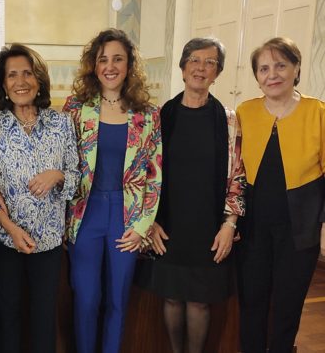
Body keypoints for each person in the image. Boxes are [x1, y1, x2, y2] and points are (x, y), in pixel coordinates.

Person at [139, 37, 246, 353]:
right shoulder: (161, 116)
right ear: (183, 67)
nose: (201, 68)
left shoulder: (229, 120)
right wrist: (149, 221)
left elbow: (238, 175)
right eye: (195, 60)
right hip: (169, 225)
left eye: (210, 62)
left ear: (218, 72)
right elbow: (143, 173)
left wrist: (230, 224)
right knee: (172, 298)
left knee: (199, 302)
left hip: (209, 228)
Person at [62, 28, 162, 353]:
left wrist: (143, 226)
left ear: (129, 64)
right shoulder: (76, 109)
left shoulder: (148, 114)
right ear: (93, 65)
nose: (110, 66)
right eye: (103, 59)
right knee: (86, 299)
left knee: (118, 300)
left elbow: (155, 175)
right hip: (85, 215)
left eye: (118, 59)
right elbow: (63, 164)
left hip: (127, 218)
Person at [0, 44, 79, 353]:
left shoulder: (62, 124)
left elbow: (76, 177)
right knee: (7, 314)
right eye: (12, 75)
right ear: (3, 84)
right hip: (6, 239)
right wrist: (10, 228)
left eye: (27, 73)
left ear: (39, 79)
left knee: (44, 316)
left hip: (48, 241)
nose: (20, 81)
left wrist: (57, 175)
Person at [236, 37, 325, 353]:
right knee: (251, 303)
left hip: (299, 231)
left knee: (288, 307)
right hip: (252, 228)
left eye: (280, 65)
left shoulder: (317, 112)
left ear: (296, 68)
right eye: (263, 68)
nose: (272, 74)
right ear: (257, 76)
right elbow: (234, 169)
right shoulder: (245, 112)